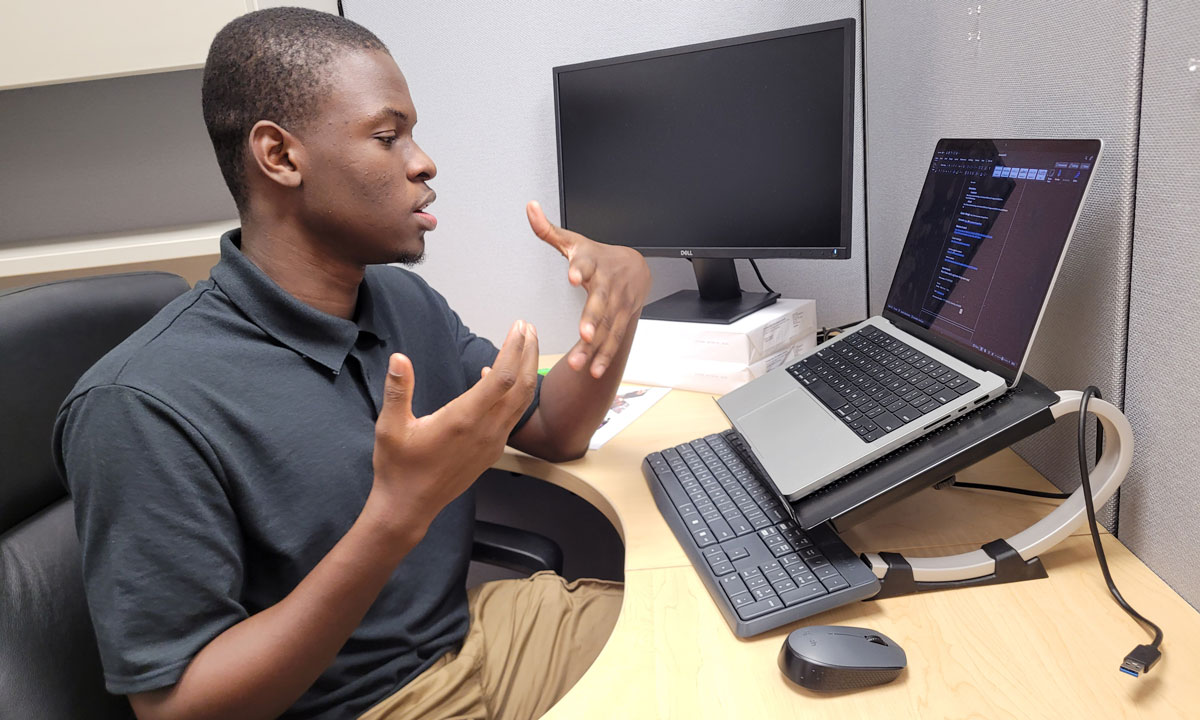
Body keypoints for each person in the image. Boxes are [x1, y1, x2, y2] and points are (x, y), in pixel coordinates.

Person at [52, 8, 651, 720]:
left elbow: (555, 429)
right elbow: (179, 709)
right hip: (368, 708)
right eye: (387, 135)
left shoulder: (400, 299)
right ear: (279, 157)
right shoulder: (138, 403)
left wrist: (618, 304)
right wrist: (397, 516)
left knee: (720, 640)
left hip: (483, 641)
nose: (424, 161)